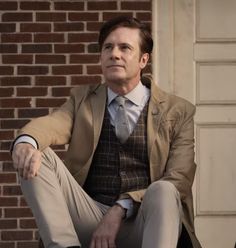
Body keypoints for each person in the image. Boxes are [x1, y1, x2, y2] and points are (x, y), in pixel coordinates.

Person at [11, 16, 202, 248]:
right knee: (36, 153)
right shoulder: (82, 99)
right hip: (89, 217)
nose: (114, 54)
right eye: (108, 47)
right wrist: (26, 142)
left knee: (164, 189)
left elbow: (179, 178)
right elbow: (52, 123)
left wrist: (122, 207)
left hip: (146, 221)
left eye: (125, 48)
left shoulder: (178, 110)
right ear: (101, 57)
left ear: (143, 59)